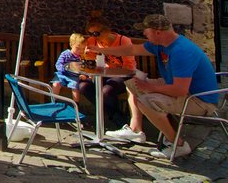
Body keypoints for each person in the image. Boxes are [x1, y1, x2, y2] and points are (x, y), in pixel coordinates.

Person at [91, 14, 220, 159]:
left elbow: (180, 90)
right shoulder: (160, 45)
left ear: (157, 32)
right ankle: (136, 130)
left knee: (146, 101)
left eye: (146, 31)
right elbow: (131, 50)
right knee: (131, 82)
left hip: (199, 99)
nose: (144, 34)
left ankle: (178, 144)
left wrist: (150, 87)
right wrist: (101, 50)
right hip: (178, 86)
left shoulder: (181, 51)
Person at [79, 13, 142, 140]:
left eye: (96, 33)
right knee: (83, 86)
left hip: (123, 75)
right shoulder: (93, 41)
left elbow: (129, 67)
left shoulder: (122, 41)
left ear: (107, 30)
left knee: (106, 91)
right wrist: (87, 55)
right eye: (91, 34)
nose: (93, 37)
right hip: (104, 74)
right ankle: (119, 119)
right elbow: (89, 61)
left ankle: (120, 122)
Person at [52, 33, 87, 103]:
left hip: (74, 76)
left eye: (82, 49)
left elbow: (84, 68)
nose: (80, 51)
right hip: (62, 74)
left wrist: (84, 75)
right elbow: (58, 64)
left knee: (75, 86)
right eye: (77, 48)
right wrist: (64, 69)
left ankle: (76, 104)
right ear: (71, 45)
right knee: (56, 84)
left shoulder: (82, 57)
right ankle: (53, 101)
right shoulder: (65, 54)